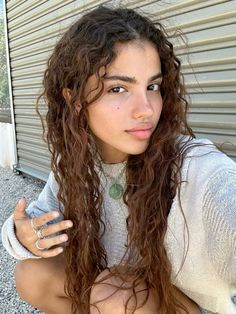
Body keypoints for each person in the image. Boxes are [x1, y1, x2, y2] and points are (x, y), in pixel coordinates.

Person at [1, 5, 236, 314]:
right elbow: (39, 219)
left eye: (152, 86)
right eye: (118, 88)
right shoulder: (77, 161)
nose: (147, 109)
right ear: (74, 99)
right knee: (32, 273)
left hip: (178, 304)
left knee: (115, 296)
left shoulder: (196, 167)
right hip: (119, 295)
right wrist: (24, 235)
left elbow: (224, 197)